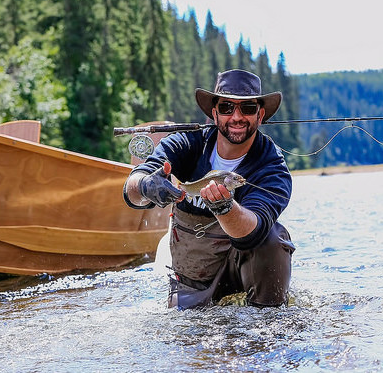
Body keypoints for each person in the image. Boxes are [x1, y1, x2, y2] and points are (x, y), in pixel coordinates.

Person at [123, 69, 295, 310]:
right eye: (226, 108)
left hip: (242, 270)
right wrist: (145, 184)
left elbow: (253, 231)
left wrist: (225, 208)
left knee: (273, 238)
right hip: (193, 277)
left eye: (247, 108)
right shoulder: (187, 143)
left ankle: (266, 316)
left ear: (260, 114)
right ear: (214, 113)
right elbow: (132, 188)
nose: (236, 117)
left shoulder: (272, 167)